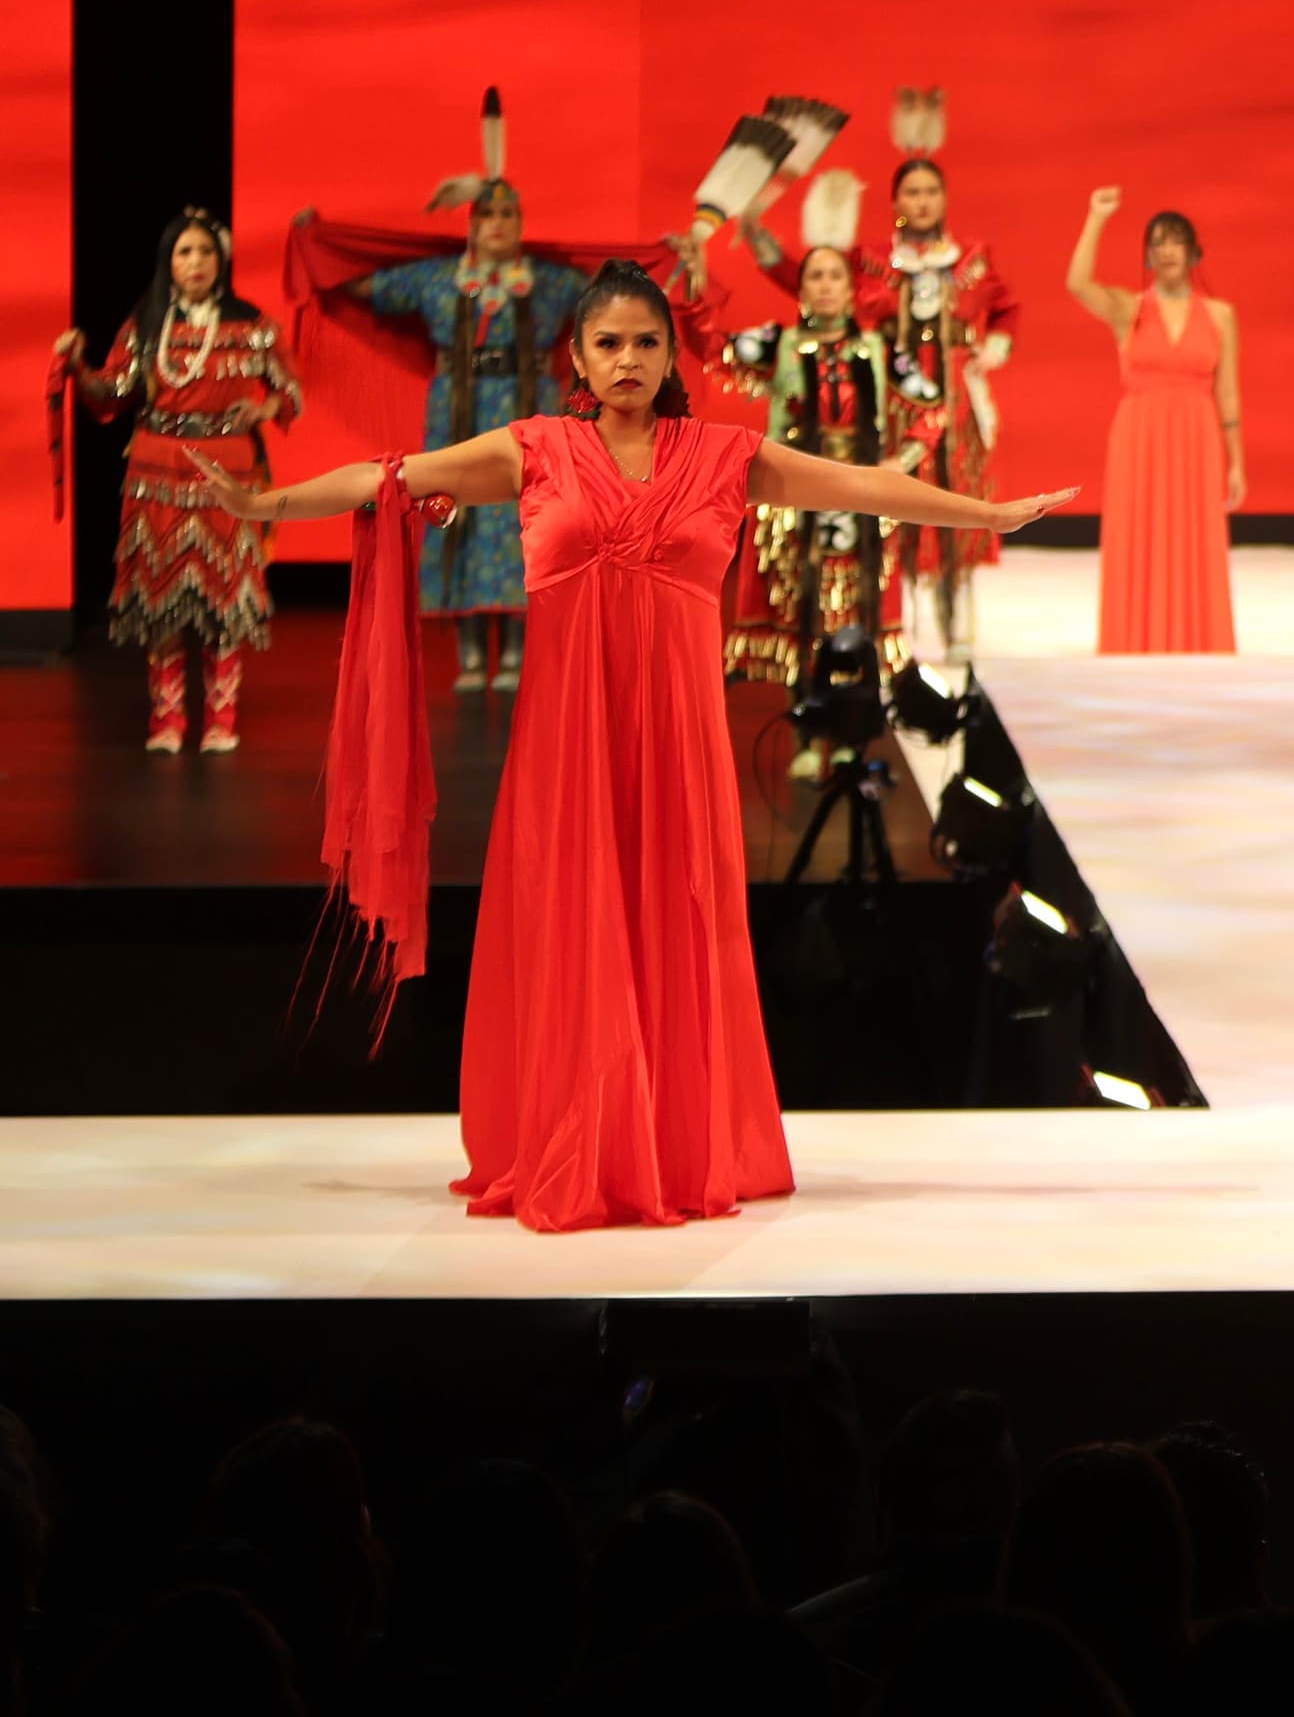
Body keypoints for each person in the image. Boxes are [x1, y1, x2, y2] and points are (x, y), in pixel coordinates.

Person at [191, 259, 1070, 1231]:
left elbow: (862, 489)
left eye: (646, 342)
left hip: (679, 756)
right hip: (569, 753)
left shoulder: (724, 453)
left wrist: (987, 516)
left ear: (670, 353)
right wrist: (262, 509)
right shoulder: (536, 449)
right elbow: (391, 476)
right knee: (574, 925)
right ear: (577, 353)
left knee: (674, 920)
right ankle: (577, 1141)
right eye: (608, 342)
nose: (627, 359)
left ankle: (675, 1141)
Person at [292, 93, 609, 692]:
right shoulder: (439, 279)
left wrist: (669, 259)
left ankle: (516, 649)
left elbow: (613, 287)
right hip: (457, 411)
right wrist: (319, 242)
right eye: (487, 216)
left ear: (520, 225)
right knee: (454, 508)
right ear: (471, 224)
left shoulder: (546, 282)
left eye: (509, 216)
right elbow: (362, 286)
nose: (497, 226)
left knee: (526, 515)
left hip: (528, 406)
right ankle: (469, 654)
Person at [757, 97, 1022, 673]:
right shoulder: (871, 260)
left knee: (958, 505)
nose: (922, 202)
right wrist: (759, 240)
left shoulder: (972, 258)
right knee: (888, 514)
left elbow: (1005, 306)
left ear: (944, 199)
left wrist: (996, 343)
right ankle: (890, 623)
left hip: (951, 406)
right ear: (896, 200)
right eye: (912, 192)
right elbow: (804, 278)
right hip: (887, 406)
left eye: (931, 192)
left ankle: (956, 622)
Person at [52, 210, 298, 753]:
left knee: (224, 599)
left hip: (225, 471)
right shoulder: (147, 324)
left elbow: (290, 392)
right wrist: (77, 368)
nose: (195, 263)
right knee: (159, 598)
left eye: (205, 252)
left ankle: (221, 717)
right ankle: (166, 719)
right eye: (184, 252)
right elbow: (111, 394)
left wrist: (264, 410)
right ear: (169, 261)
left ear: (221, 260)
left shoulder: (250, 323)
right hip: (156, 471)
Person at [714, 178, 912, 733]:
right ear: (800, 289)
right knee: (800, 605)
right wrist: (690, 271)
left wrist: (904, 458)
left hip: (861, 494)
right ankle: (807, 726)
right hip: (793, 495)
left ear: (852, 289)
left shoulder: (876, 348)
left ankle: (856, 730)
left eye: (835, 276)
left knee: (855, 609)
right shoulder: (774, 344)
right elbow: (708, 342)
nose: (825, 286)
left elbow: (929, 407)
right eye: (815, 276)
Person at [1067, 187, 1240, 655]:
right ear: (1148, 254)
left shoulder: (1221, 314)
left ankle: (1196, 639)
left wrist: (1236, 463)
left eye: (1175, 240)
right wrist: (1096, 217)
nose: (1166, 250)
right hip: (1140, 435)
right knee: (1139, 536)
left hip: (1197, 434)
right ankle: (1136, 638)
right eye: (1158, 241)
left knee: (1194, 538)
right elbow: (1078, 284)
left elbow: (1228, 394)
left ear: (1192, 251)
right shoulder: (1131, 309)